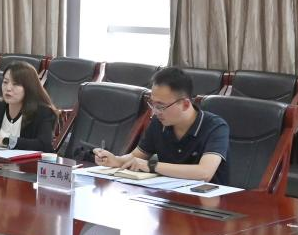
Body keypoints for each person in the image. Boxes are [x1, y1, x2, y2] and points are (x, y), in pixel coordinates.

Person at [93, 66, 231, 183]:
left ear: (185, 104)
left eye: (161, 106)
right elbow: (136, 157)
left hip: (208, 199)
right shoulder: (159, 122)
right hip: (167, 193)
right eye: (152, 104)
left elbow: (204, 173)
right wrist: (115, 160)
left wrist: (152, 165)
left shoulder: (215, 127)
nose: (155, 111)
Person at [0, 61, 59, 152]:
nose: (8, 88)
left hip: (27, 163)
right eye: (5, 82)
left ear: (29, 88)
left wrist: (4, 141)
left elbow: (44, 145)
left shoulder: (43, 112)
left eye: (16, 84)